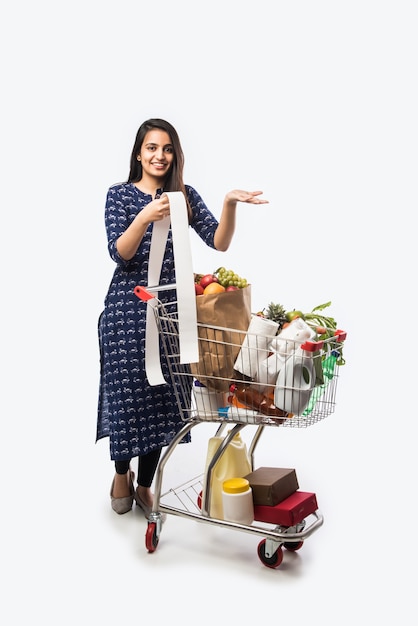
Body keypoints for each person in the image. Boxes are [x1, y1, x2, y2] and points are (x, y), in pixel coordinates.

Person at [97, 118, 268, 516]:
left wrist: (228, 203)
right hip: (127, 309)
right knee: (128, 398)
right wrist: (144, 216)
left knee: (163, 400)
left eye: (167, 148)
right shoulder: (119, 196)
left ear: (175, 155)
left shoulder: (183, 196)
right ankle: (120, 473)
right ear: (138, 153)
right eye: (152, 148)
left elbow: (218, 241)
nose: (160, 156)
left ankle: (144, 484)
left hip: (173, 313)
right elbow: (119, 252)